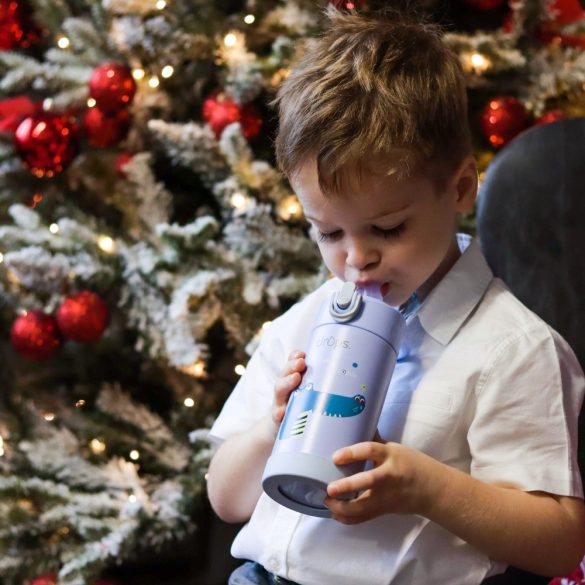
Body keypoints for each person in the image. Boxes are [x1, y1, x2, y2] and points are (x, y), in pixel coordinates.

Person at [206, 7, 585, 585]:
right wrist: (270, 431)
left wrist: (424, 487)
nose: (356, 259)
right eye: (328, 233)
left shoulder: (512, 349)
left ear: (459, 188)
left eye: (387, 229)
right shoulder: (303, 325)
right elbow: (225, 498)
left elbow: (559, 543)